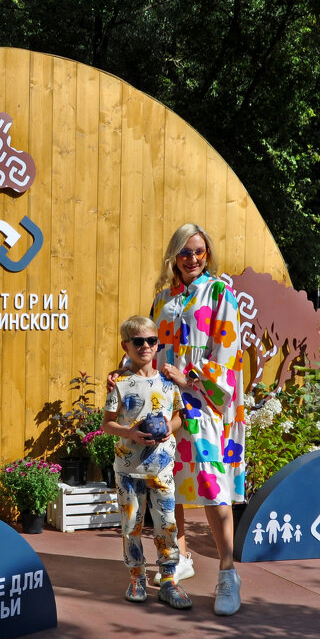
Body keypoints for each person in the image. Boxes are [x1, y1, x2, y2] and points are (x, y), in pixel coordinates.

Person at [149, 222, 247, 615]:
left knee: (211, 484)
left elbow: (228, 354)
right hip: (166, 401)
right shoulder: (162, 299)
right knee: (167, 479)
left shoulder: (219, 292)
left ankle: (227, 573)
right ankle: (181, 556)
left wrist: (187, 376)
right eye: (185, 252)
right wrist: (126, 376)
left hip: (203, 402)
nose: (192, 259)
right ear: (174, 255)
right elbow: (151, 347)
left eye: (199, 252)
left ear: (208, 255)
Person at [102, 315, 191, 609]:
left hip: (161, 468)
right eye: (138, 341)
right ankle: (136, 578)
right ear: (126, 345)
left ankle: (168, 580)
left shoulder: (167, 383)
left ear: (157, 344)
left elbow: (179, 416)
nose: (145, 347)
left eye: (151, 341)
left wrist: (169, 427)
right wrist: (130, 433)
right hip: (128, 470)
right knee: (132, 525)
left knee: (166, 524)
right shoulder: (120, 384)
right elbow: (107, 424)